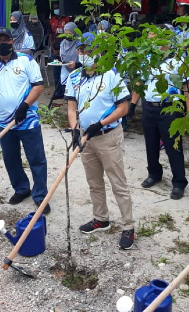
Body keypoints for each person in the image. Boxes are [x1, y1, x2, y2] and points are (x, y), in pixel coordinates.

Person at [65, 33, 135, 250]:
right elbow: (71, 107)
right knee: (94, 181)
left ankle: (128, 226)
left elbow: (124, 107)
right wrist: (75, 129)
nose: (85, 54)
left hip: (108, 137)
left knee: (118, 182)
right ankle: (101, 218)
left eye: (90, 50)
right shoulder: (74, 77)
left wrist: (100, 123)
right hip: (86, 139)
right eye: (82, 50)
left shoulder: (111, 76)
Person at [0, 27, 49, 213]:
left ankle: (40, 195)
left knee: (36, 159)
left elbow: (38, 85)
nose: (3, 44)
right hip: (3, 122)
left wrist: (25, 106)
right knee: (11, 159)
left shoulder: (26, 60)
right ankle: (21, 188)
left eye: (6, 40)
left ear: (12, 42)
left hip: (27, 121)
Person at [128, 29, 189, 199]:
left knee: (173, 146)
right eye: (149, 39)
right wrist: (132, 105)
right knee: (151, 144)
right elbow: (139, 83)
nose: (150, 43)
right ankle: (154, 174)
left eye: (153, 39)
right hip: (149, 107)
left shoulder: (178, 61)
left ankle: (179, 182)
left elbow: (186, 87)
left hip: (170, 107)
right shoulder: (146, 60)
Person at [49, 6, 71, 102]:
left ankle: (66, 93)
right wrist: (53, 49)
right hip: (55, 50)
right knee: (56, 72)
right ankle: (58, 93)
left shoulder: (68, 20)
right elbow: (50, 35)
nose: (56, 10)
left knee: (66, 72)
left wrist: (62, 50)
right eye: (55, 8)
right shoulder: (52, 21)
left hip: (65, 51)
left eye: (58, 8)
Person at [57, 22, 81, 103]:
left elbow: (85, 59)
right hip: (65, 67)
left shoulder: (80, 42)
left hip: (79, 69)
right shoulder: (63, 43)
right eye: (66, 34)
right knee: (65, 84)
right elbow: (62, 56)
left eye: (70, 33)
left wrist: (76, 64)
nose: (68, 36)